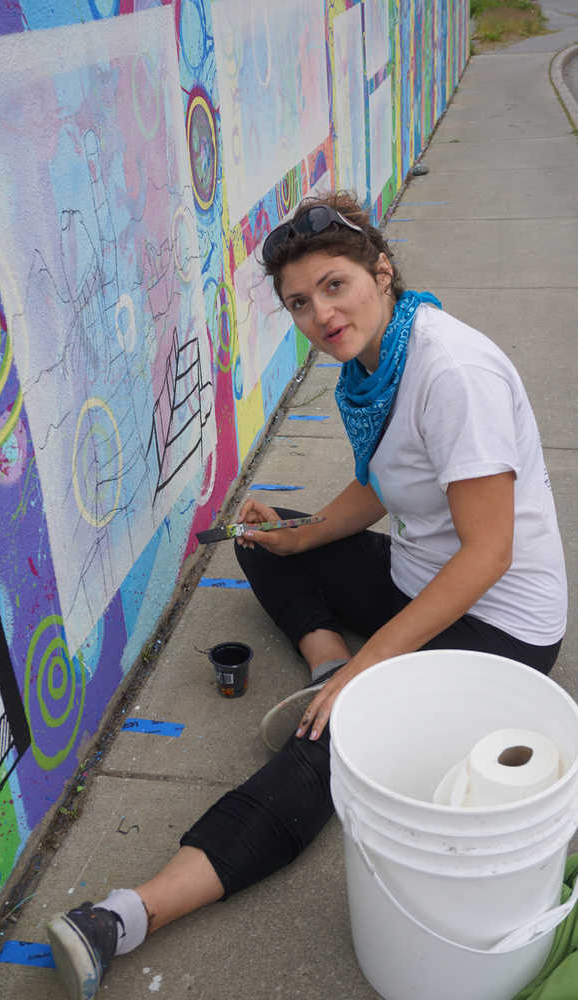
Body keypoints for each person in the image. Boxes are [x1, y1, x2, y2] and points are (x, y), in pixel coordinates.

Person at [46, 191, 567, 1000]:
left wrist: (371, 670)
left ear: (380, 271)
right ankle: (325, 663)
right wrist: (303, 536)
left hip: (495, 624)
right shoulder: (375, 363)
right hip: (420, 581)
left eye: (333, 285)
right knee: (261, 539)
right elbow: (384, 481)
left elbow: (488, 554)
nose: (319, 314)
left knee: (332, 747)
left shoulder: (450, 371)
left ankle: (126, 916)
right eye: (298, 302)